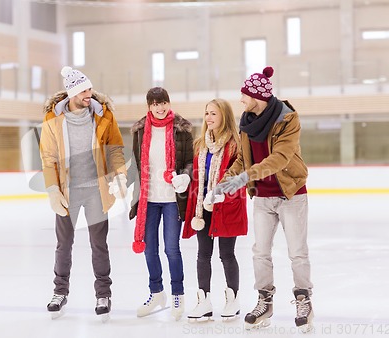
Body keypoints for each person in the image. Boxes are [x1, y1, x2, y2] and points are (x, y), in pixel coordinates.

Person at [214, 66, 314, 332]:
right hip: (263, 197)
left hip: (290, 193)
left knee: (297, 253)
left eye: (244, 95)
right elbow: (242, 159)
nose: (241, 100)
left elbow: (280, 158)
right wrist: (228, 178)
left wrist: (244, 177)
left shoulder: (287, 119)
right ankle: (265, 301)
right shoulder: (247, 122)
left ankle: (304, 299)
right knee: (260, 252)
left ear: (258, 96)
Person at [40, 66, 127, 320]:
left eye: (90, 88)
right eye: (85, 90)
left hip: (96, 192)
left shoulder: (103, 115)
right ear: (73, 92)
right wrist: (52, 189)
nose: (90, 93)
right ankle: (60, 292)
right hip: (68, 192)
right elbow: (48, 157)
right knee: (63, 244)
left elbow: (114, 149)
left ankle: (103, 294)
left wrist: (119, 173)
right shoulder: (52, 119)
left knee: (99, 245)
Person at [128, 87, 194, 320]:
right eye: (154, 104)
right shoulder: (138, 130)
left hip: (172, 200)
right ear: (149, 106)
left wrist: (185, 176)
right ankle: (157, 293)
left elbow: (189, 162)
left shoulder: (181, 128)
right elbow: (136, 165)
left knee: (172, 249)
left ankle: (178, 294)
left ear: (168, 102)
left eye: (163, 102)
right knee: (150, 249)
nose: (159, 107)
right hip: (148, 200)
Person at [182, 98, 248, 321]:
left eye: (214, 114)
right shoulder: (201, 144)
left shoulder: (234, 145)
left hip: (226, 206)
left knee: (227, 254)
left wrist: (220, 194)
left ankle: (233, 299)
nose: (209, 118)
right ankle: (204, 301)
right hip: (203, 207)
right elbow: (196, 175)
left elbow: (239, 178)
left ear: (224, 117)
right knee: (203, 254)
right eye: (207, 113)